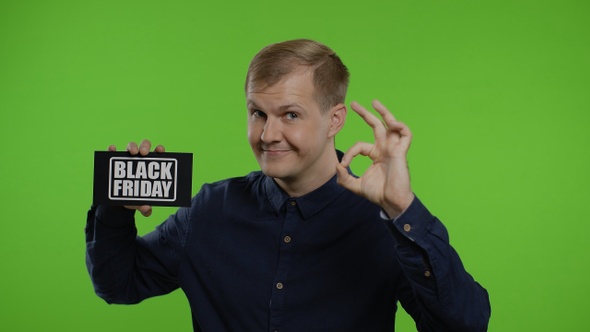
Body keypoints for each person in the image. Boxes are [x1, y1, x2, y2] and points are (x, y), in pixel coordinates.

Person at [86, 39, 491, 331]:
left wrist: (403, 210)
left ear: (334, 121)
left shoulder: (383, 221)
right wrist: (114, 209)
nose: (268, 134)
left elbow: (464, 326)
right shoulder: (209, 209)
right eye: (257, 113)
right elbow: (118, 283)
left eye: (290, 115)